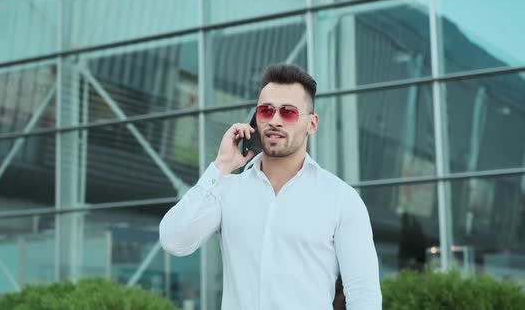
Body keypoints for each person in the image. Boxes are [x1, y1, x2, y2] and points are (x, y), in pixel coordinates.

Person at [159, 64, 382, 309]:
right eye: (266, 111)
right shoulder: (227, 190)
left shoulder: (341, 199)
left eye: (288, 112)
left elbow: (363, 293)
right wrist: (221, 166)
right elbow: (174, 241)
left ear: (312, 124)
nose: (275, 121)